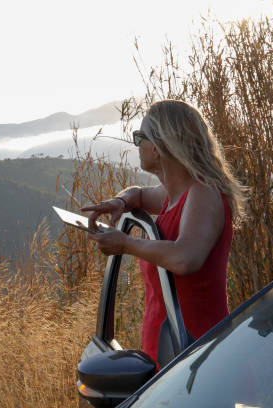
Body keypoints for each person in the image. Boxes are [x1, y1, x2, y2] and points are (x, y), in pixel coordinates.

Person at [81, 99, 247, 365]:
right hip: (173, 355)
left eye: (139, 137)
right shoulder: (173, 195)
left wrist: (125, 244)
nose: (136, 144)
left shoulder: (203, 193)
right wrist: (121, 202)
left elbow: (186, 257)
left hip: (201, 359)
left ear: (158, 147)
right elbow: (138, 194)